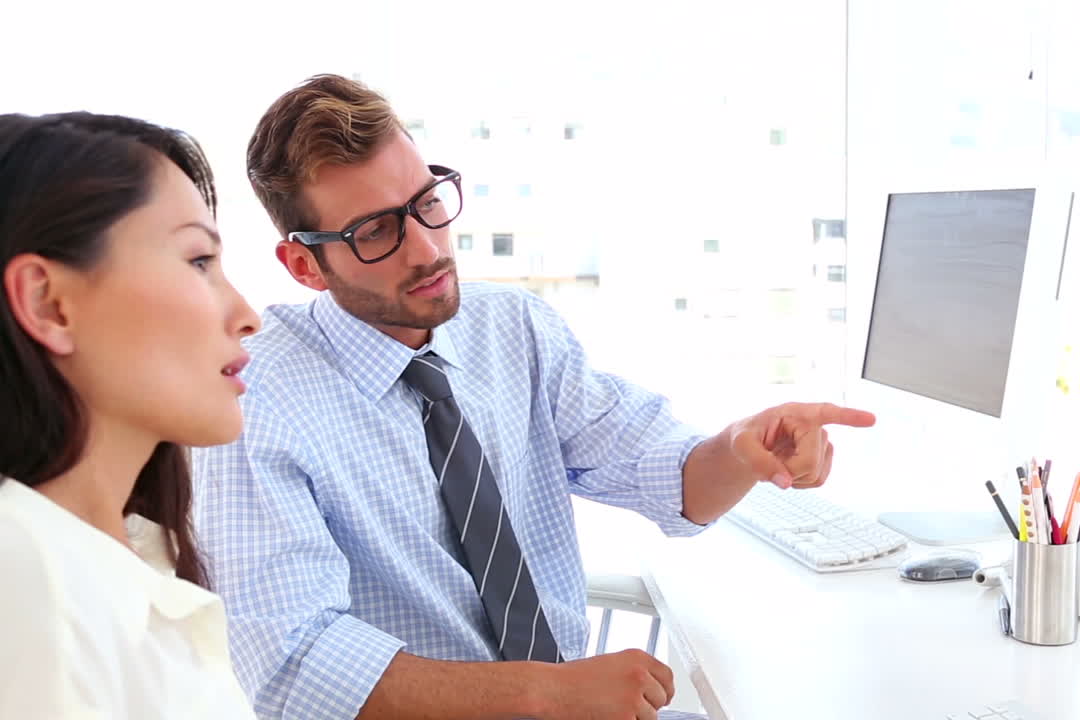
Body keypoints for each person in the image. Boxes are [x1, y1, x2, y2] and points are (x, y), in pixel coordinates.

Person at [193, 74, 876, 720]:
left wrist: (743, 451)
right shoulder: (255, 397)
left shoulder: (512, 328)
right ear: (305, 265)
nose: (428, 249)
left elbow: (666, 476)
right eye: (376, 232)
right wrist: (548, 694)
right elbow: (295, 666)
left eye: (427, 203)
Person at [0, 112, 260, 717]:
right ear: (50, 304)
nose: (248, 314)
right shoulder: (28, 570)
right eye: (199, 261)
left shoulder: (119, 559)